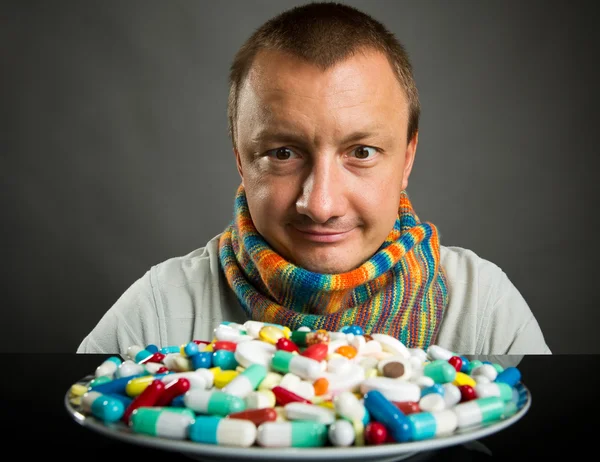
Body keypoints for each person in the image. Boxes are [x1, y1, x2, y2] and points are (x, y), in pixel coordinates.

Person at [77, 2, 551, 358]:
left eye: (361, 152)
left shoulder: (484, 310)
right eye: (282, 153)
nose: (320, 204)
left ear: (407, 158)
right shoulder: (158, 313)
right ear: (242, 160)